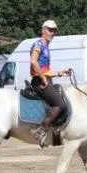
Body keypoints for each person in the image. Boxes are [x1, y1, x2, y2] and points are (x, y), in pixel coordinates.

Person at [30, 20, 72, 148]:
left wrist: (60, 73)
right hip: (39, 81)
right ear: (43, 30)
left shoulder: (46, 47)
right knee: (60, 104)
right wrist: (43, 78)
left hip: (44, 79)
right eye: (49, 30)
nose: (52, 33)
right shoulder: (38, 44)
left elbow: (46, 71)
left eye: (54, 30)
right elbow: (33, 62)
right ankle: (41, 131)